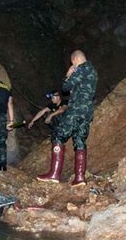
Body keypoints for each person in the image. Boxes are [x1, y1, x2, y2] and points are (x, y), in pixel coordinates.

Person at [37, 50, 97, 186]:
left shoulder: (81, 69)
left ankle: (54, 174)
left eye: (72, 63)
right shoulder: (92, 71)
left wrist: (68, 74)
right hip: (87, 112)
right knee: (79, 140)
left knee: (58, 135)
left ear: (75, 60)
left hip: (76, 109)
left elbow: (65, 87)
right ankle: (80, 178)